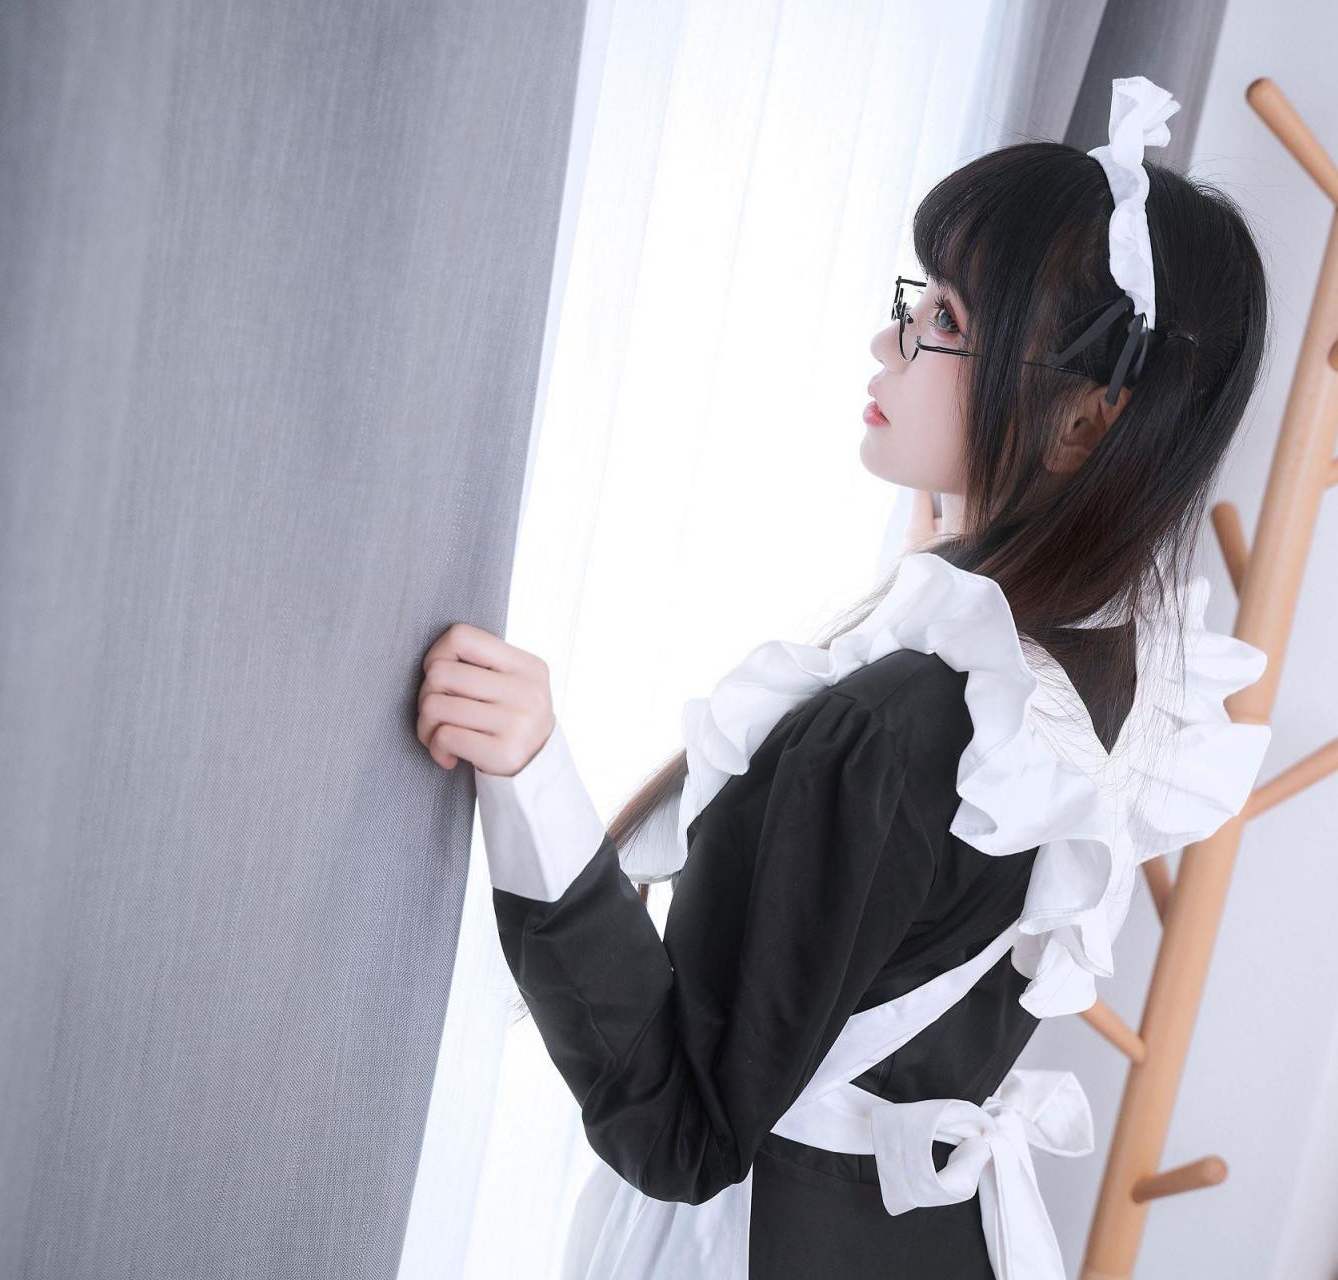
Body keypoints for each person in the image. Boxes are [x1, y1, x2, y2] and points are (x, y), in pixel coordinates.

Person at [415, 75, 1275, 1280]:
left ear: (1084, 422)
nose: (891, 339)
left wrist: (531, 774)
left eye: (943, 317)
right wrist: (960, 544)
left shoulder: (894, 733)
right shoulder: (1113, 670)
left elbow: (680, 1122)